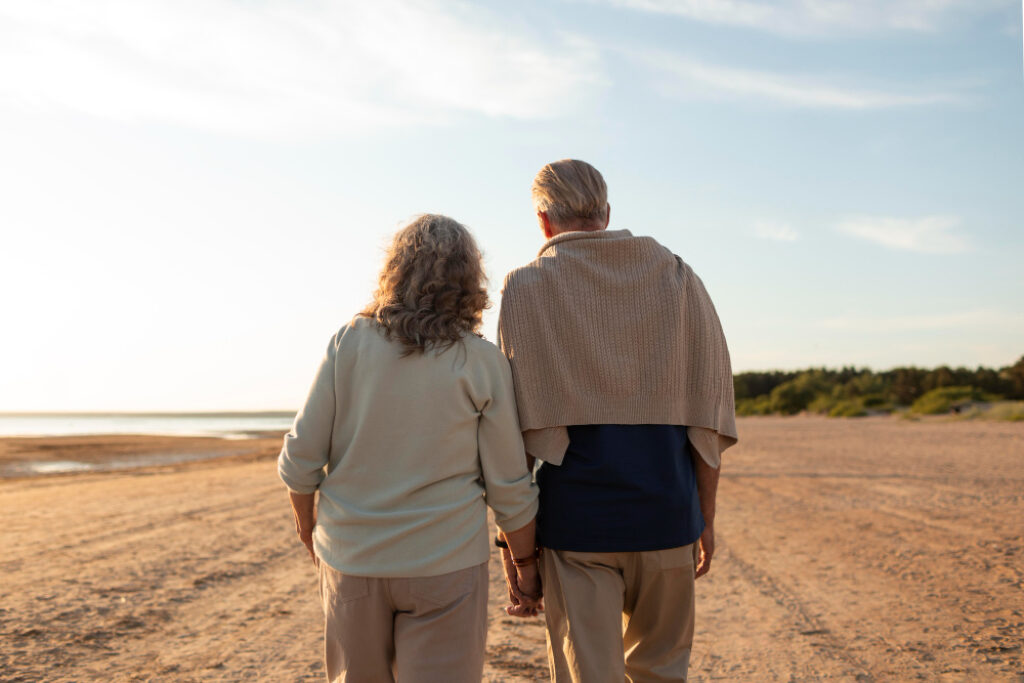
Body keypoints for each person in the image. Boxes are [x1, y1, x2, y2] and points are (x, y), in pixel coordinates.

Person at [497, 159, 739, 682]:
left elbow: (512, 435)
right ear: (606, 213)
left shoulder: (526, 287)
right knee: (662, 673)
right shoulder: (676, 275)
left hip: (576, 523)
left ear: (543, 221)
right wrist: (707, 519)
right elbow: (708, 413)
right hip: (669, 514)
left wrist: (516, 554)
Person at [278, 214, 541, 683]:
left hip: (352, 560)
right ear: (468, 279)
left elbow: (300, 458)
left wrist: (307, 527)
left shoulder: (350, 342)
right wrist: (524, 564)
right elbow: (508, 485)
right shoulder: (481, 361)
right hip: (446, 566)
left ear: (395, 269)